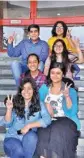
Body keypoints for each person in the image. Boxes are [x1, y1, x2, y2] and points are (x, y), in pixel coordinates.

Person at [36, 62, 80, 158]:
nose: (55, 75)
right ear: (49, 74)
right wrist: (45, 106)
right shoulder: (44, 89)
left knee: (57, 132)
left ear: (63, 74)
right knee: (42, 133)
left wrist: (67, 96)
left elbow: (72, 112)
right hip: (47, 119)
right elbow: (36, 105)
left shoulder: (70, 90)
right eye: (52, 72)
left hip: (66, 120)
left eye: (58, 73)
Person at [0, 78, 51, 158]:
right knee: (19, 151)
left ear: (33, 90)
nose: (26, 91)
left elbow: (47, 119)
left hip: (29, 139)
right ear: (20, 91)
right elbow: (7, 124)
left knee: (32, 137)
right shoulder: (15, 103)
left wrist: (28, 126)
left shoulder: (39, 104)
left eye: (29, 88)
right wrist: (9, 109)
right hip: (12, 138)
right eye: (23, 89)